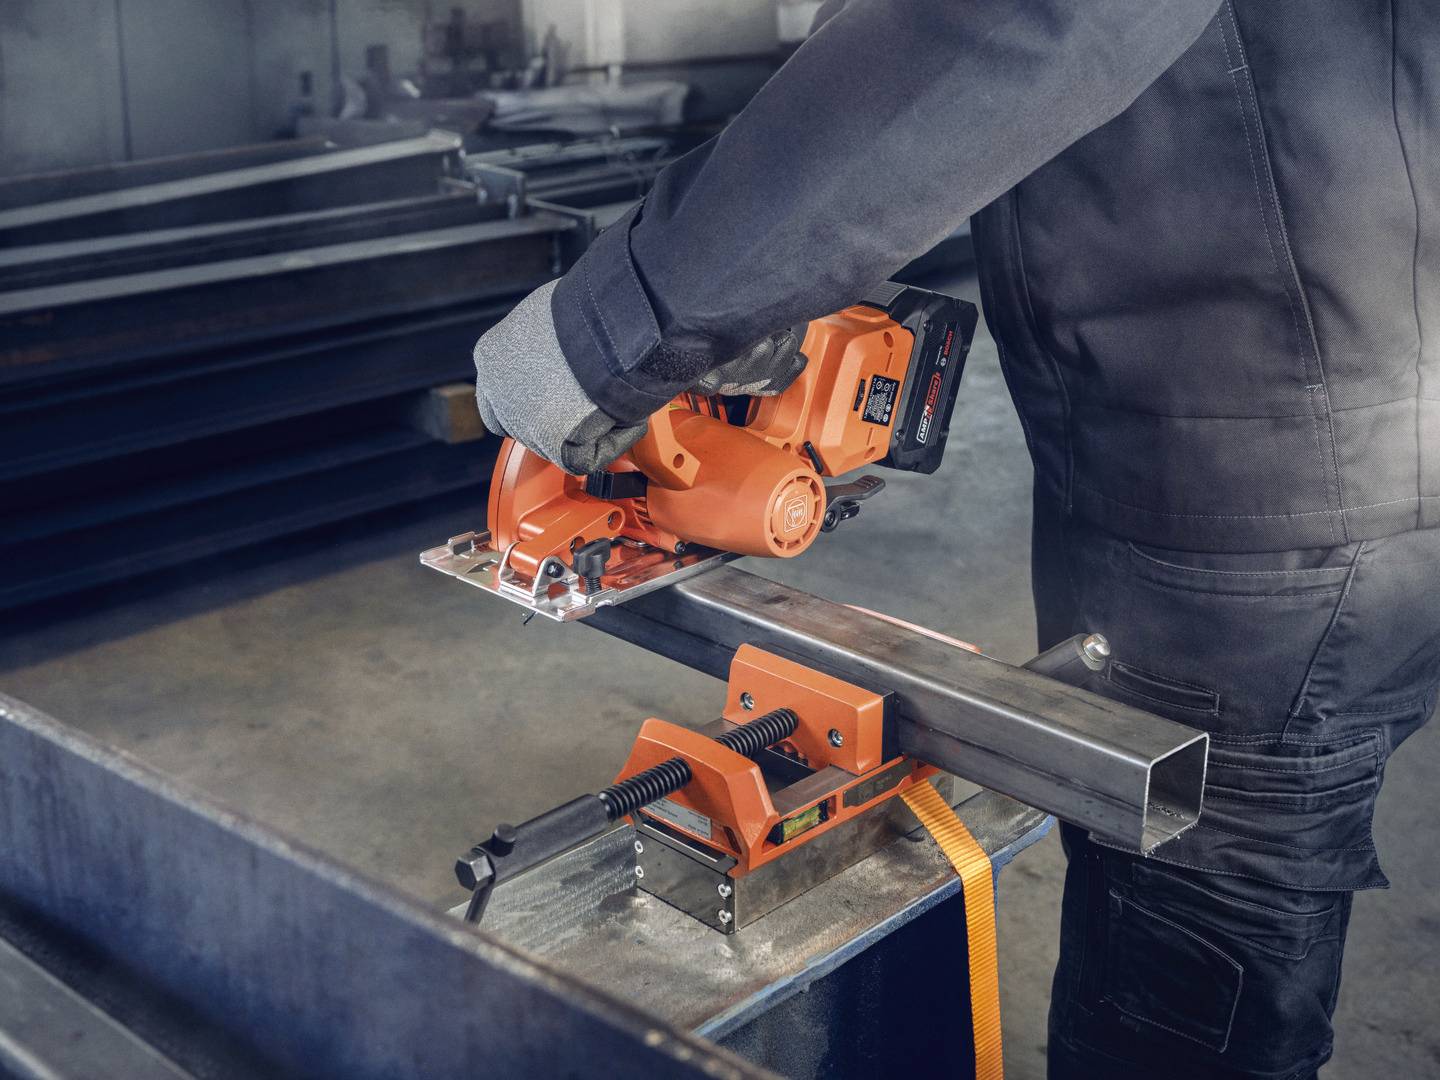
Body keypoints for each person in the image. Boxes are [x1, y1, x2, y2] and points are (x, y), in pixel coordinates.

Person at [470, 3, 1438, 1076]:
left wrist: (611, 328)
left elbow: (1014, 23)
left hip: (1259, 507)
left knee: (1182, 988)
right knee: (1180, 891)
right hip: (1318, 439)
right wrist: (786, 274)